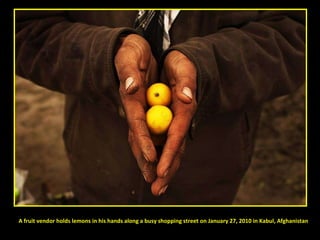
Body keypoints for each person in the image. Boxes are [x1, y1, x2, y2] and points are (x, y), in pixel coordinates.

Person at [15, 9, 305, 205]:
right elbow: (26, 27)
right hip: (97, 160)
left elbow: (294, 32)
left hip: (210, 173)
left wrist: (207, 67)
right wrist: (104, 57)